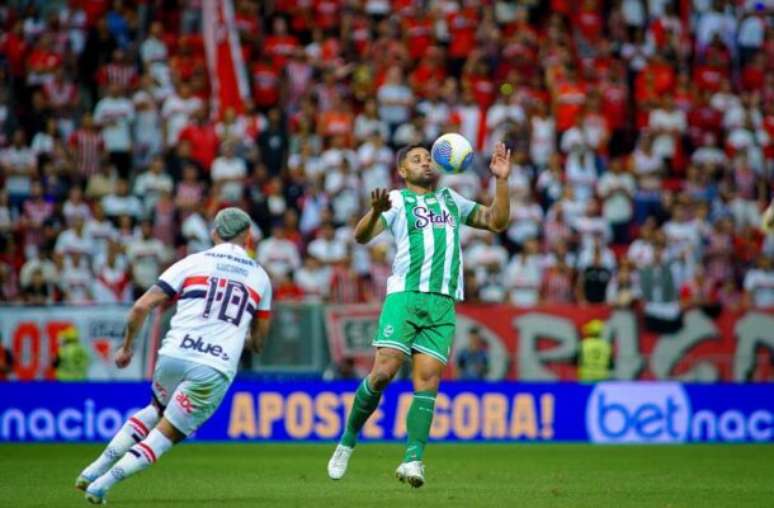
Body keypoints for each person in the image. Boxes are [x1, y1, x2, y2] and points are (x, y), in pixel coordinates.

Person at [327, 143, 511, 487]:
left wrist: (501, 181)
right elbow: (361, 236)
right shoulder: (396, 200)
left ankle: (413, 460)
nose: (425, 162)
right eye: (417, 159)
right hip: (406, 297)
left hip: (442, 303)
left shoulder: (450, 200)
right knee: (384, 372)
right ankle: (348, 440)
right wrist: (373, 212)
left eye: (428, 158)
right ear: (402, 171)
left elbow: (496, 222)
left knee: (427, 381)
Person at [76, 208, 273, 504]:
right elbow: (259, 341)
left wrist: (127, 347)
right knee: (168, 433)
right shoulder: (260, 277)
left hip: (173, 354)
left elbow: (141, 307)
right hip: (213, 367)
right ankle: (102, 485)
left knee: (155, 408)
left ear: (214, 233)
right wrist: (242, 336)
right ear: (249, 238)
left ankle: (93, 470)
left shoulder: (193, 262)